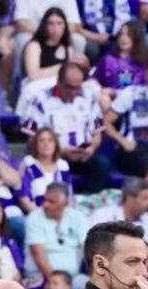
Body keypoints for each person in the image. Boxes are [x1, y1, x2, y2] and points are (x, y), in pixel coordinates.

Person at [21, 63, 110, 193]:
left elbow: (97, 132)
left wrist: (91, 148)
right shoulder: (41, 99)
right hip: (53, 156)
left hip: (83, 155)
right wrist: (59, 151)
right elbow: (31, 137)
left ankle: (88, 202)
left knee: (102, 164)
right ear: (59, 81)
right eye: (69, 88)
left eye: (77, 88)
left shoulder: (88, 97)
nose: (74, 92)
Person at [23, 180, 86, 289]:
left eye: (51, 202)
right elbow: (38, 255)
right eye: (45, 200)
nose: (45, 205)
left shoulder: (77, 217)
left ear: (65, 204)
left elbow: (87, 248)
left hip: (72, 277)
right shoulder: (34, 218)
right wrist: (56, 283)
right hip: (42, 276)